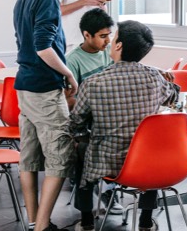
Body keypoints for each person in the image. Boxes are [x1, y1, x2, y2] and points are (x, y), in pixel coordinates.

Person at [67, 20, 180, 231]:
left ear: (119, 46)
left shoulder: (93, 83)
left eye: (114, 37)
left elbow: (76, 123)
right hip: (146, 163)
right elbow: (172, 95)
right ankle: (146, 221)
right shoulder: (155, 77)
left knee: (81, 148)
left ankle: (87, 221)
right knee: (151, 151)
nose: (110, 41)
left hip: (107, 161)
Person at [13, 0, 77, 231]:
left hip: (24, 86)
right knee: (60, 158)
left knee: (28, 157)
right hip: (44, 88)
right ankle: (42, 227)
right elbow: (43, 47)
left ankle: (33, 221)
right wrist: (68, 73)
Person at [64, 8, 124, 230]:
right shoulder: (73, 61)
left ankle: (110, 190)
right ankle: (87, 211)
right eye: (102, 36)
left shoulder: (108, 54)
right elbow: (69, 101)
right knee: (86, 152)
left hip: (111, 119)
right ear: (86, 35)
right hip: (89, 123)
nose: (107, 41)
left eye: (109, 35)